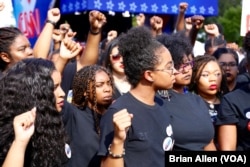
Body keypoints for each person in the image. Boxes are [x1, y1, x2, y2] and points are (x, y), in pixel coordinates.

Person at [98, 26, 176, 167]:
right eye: (169, 67)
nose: (174, 71)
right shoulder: (118, 112)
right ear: (149, 75)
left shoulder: (162, 104)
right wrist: (117, 140)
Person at [0, 58, 68, 167]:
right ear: (35, 95)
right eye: (54, 88)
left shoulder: (53, 118)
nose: (62, 93)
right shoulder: (12, 134)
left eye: (60, 85)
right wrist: (20, 142)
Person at [157, 32, 216, 151]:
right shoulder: (158, 101)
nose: (187, 70)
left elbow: (208, 143)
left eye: (189, 63)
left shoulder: (197, 100)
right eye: (180, 65)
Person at [62, 65, 114, 167]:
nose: (107, 89)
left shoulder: (113, 116)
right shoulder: (74, 115)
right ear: (85, 91)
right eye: (99, 85)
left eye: (109, 84)